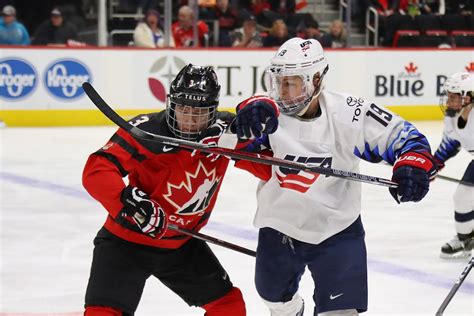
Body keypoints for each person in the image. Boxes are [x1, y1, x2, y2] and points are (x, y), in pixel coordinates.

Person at [231, 37, 437, 315]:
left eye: (290, 82)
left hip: (337, 229)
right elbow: (222, 137)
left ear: (315, 79)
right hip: (281, 226)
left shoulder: (348, 113)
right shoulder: (267, 116)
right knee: (274, 298)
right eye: (277, 81)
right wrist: (245, 111)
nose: (281, 91)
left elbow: (406, 138)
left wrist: (412, 163)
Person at [82, 64, 246, 316]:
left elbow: (264, 158)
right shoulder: (148, 130)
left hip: (179, 244)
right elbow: (98, 169)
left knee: (229, 306)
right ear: (172, 104)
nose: (190, 119)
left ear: (213, 111)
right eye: (184, 109)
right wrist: (128, 200)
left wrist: (258, 121)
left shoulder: (225, 132)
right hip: (126, 242)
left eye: (200, 112)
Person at [434, 72, 474, 259]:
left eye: (453, 96)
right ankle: (466, 239)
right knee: (462, 197)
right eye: (448, 96)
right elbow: (449, 145)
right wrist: (431, 165)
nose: (448, 101)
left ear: (468, 96)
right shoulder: (451, 116)